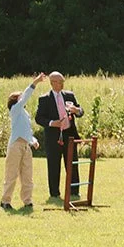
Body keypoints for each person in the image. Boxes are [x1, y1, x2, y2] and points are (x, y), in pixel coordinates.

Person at [35, 71, 84, 201]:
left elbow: (80, 111)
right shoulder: (44, 99)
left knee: (72, 164)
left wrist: (76, 110)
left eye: (63, 82)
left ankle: (74, 191)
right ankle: (54, 193)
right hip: (53, 137)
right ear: (52, 83)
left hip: (69, 135)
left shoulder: (69, 95)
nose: (62, 84)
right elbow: (39, 118)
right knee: (53, 165)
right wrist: (52, 123)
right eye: (60, 82)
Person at [2, 72, 46, 213]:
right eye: (20, 97)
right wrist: (35, 82)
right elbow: (26, 96)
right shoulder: (15, 110)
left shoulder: (25, 115)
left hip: (26, 147)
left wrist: (33, 141)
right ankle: (5, 201)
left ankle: (27, 200)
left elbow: (26, 131)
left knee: (27, 175)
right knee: (12, 175)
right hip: (15, 146)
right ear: (15, 100)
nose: (23, 98)